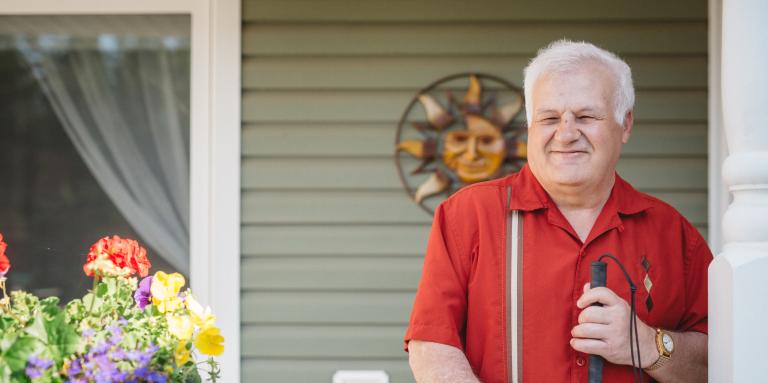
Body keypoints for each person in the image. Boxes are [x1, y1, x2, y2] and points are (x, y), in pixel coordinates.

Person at [404, 40, 711, 383]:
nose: (566, 134)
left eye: (586, 116)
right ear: (530, 127)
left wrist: (648, 344)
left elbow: (718, 363)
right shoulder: (467, 215)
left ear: (625, 125)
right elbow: (431, 346)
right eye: (549, 117)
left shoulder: (673, 234)